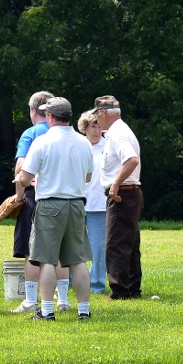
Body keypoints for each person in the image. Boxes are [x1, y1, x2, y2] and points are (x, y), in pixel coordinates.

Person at [16, 97, 94, 320]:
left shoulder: (42, 141)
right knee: (77, 260)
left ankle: (47, 311)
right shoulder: (83, 142)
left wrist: (21, 180)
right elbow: (87, 177)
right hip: (77, 204)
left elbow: (26, 177)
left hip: (50, 204)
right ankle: (84, 311)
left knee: (47, 259)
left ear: (49, 116)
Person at [10, 91, 71, 313]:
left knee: (32, 251)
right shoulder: (68, 134)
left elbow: (20, 169)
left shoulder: (32, 134)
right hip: (66, 196)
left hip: (36, 196)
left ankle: (30, 300)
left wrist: (18, 198)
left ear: (34, 111)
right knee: (62, 252)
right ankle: (63, 299)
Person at [95, 95, 143, 300]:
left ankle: (119, 291)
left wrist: (115, 185)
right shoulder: (120, 131)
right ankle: (132, 288)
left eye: (98, 115)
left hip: (121, 194)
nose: (97, 120)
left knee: (115, 243)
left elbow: (131, 160)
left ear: (103, 113)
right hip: (131, 193)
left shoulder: (117, 134)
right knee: (129, 244)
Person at [78, 109, 108, 294]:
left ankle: (96, 283)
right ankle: (72, 280)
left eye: (99, 126)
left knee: (98, 247)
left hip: (99, 203)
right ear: (84, 128)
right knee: (74, 245)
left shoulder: (109, 145)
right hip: (77, 201)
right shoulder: (78, 145)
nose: (96, 131)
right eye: (92, 127)